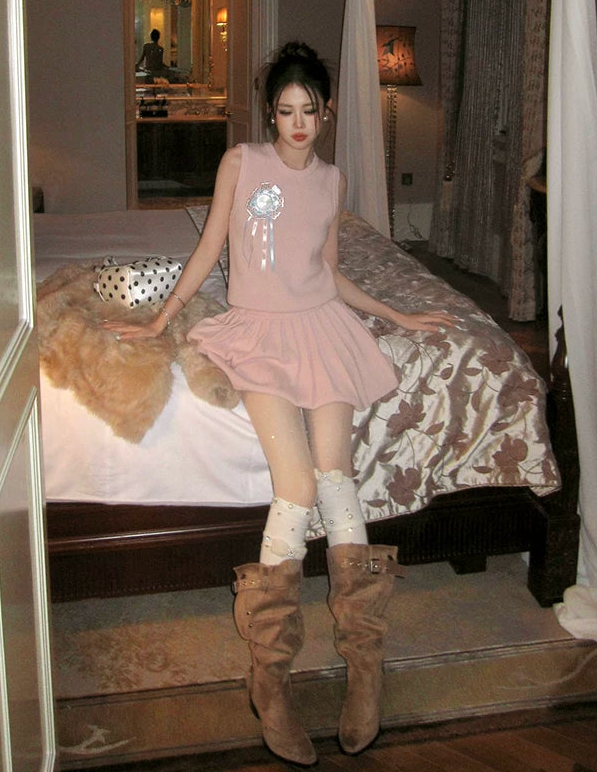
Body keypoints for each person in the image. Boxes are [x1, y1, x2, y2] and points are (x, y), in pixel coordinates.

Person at [107, 42, 455, 765]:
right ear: (272, 114)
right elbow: (210, 249)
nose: (298, 124)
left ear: (326, 114)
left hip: (322, 328)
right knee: (295, 485)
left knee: (338, 477)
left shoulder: (333, 181)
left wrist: (397, 314)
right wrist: (161, 319)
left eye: (310, 112)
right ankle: (270, 679)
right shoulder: (242, 162)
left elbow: (329, 274)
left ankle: (365, 669)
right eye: (286, 111)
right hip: (260, 333)